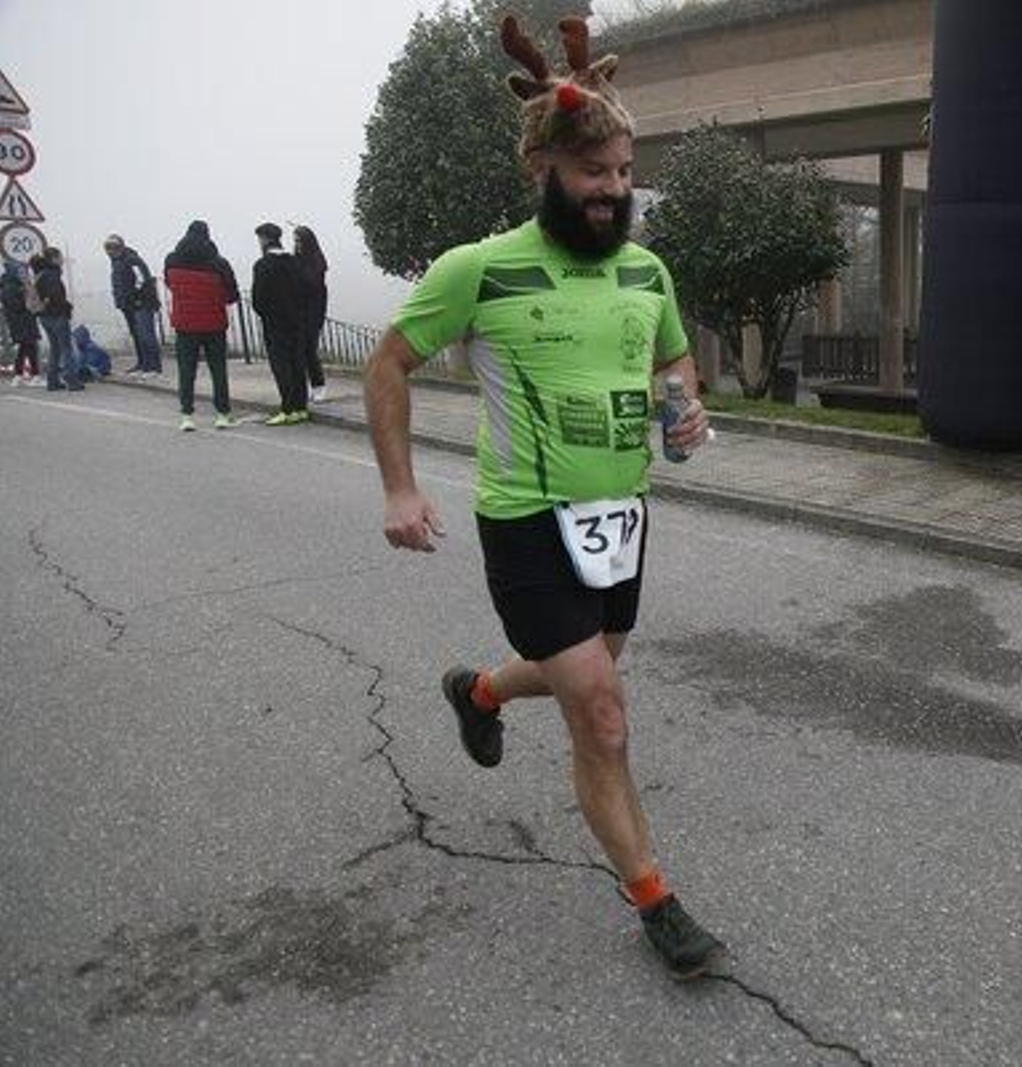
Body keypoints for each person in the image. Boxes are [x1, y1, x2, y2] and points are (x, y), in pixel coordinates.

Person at [363, 14, 719, 980]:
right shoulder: (479, 269)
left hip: (621, 519)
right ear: (546, 172)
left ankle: (477, 691)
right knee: (600, 709)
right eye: (593, 172)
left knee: (588, 667)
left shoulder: (648, 269)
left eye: (622, 171)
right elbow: (389, 362)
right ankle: (657, 899)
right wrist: (400, 487)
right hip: (524, 519)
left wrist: (684, 409)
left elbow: (675, 358)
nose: (612, 190)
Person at [164, 220, 239, 432]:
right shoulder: (219, 263)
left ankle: (187, 416)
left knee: (186, 371)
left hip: (185, 324)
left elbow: (171, 285)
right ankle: (222, 414)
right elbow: (232, 295)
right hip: (214, 324)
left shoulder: (172, 260)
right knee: (218, 370)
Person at [251, 222, 308, 425]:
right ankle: (301, 407)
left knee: (281, 365)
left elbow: (258, 299)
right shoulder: (293, 262)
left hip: (275, 323)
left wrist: (266, 313)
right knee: (297, 364)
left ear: (265, 239)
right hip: (297, 321)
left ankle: (288, 408)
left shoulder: (263, 265)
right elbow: (305, 290)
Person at [104, 234, 163, 377]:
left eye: (113, 248)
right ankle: (142, 364)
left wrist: (136, 298)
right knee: (137, 335)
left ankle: (153, 367)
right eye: (108, 248)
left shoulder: (132, 260)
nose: (110, 251)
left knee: (146, 335)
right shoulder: (116, 262)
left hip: (141, 303)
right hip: (127, 305)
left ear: (120, 247)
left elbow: (141, 280)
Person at [31, 249, 82, 392]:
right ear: (53, 259)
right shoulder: (52, 275)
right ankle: (71, 380)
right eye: (60, 257)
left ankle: (52, 381)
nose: (62, 259)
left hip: (44, 316)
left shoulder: (39, 275)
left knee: (55, 349)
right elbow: (56, 297)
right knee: (66, 349)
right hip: (57, 315)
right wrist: (67, 308)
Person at [293, 225, 329, 403]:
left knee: (310, 350)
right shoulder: (295, 260)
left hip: (313, 311)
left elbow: (313, 283)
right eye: (295, 241)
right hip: (298, 310)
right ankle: (305, 387)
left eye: (300, 241)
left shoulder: (317, 260)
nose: (297, 245)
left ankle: (319, 385)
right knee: (299, 351)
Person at [1, 261, 41, 385]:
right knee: (30, 348)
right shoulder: (11, 287)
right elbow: (17, 306)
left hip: (20, 322)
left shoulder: (8, 286)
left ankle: (18, 376)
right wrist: (27, 297)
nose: (24, 274)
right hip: (23, 322)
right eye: (21, 272)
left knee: (24, 349)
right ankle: (34, 375)